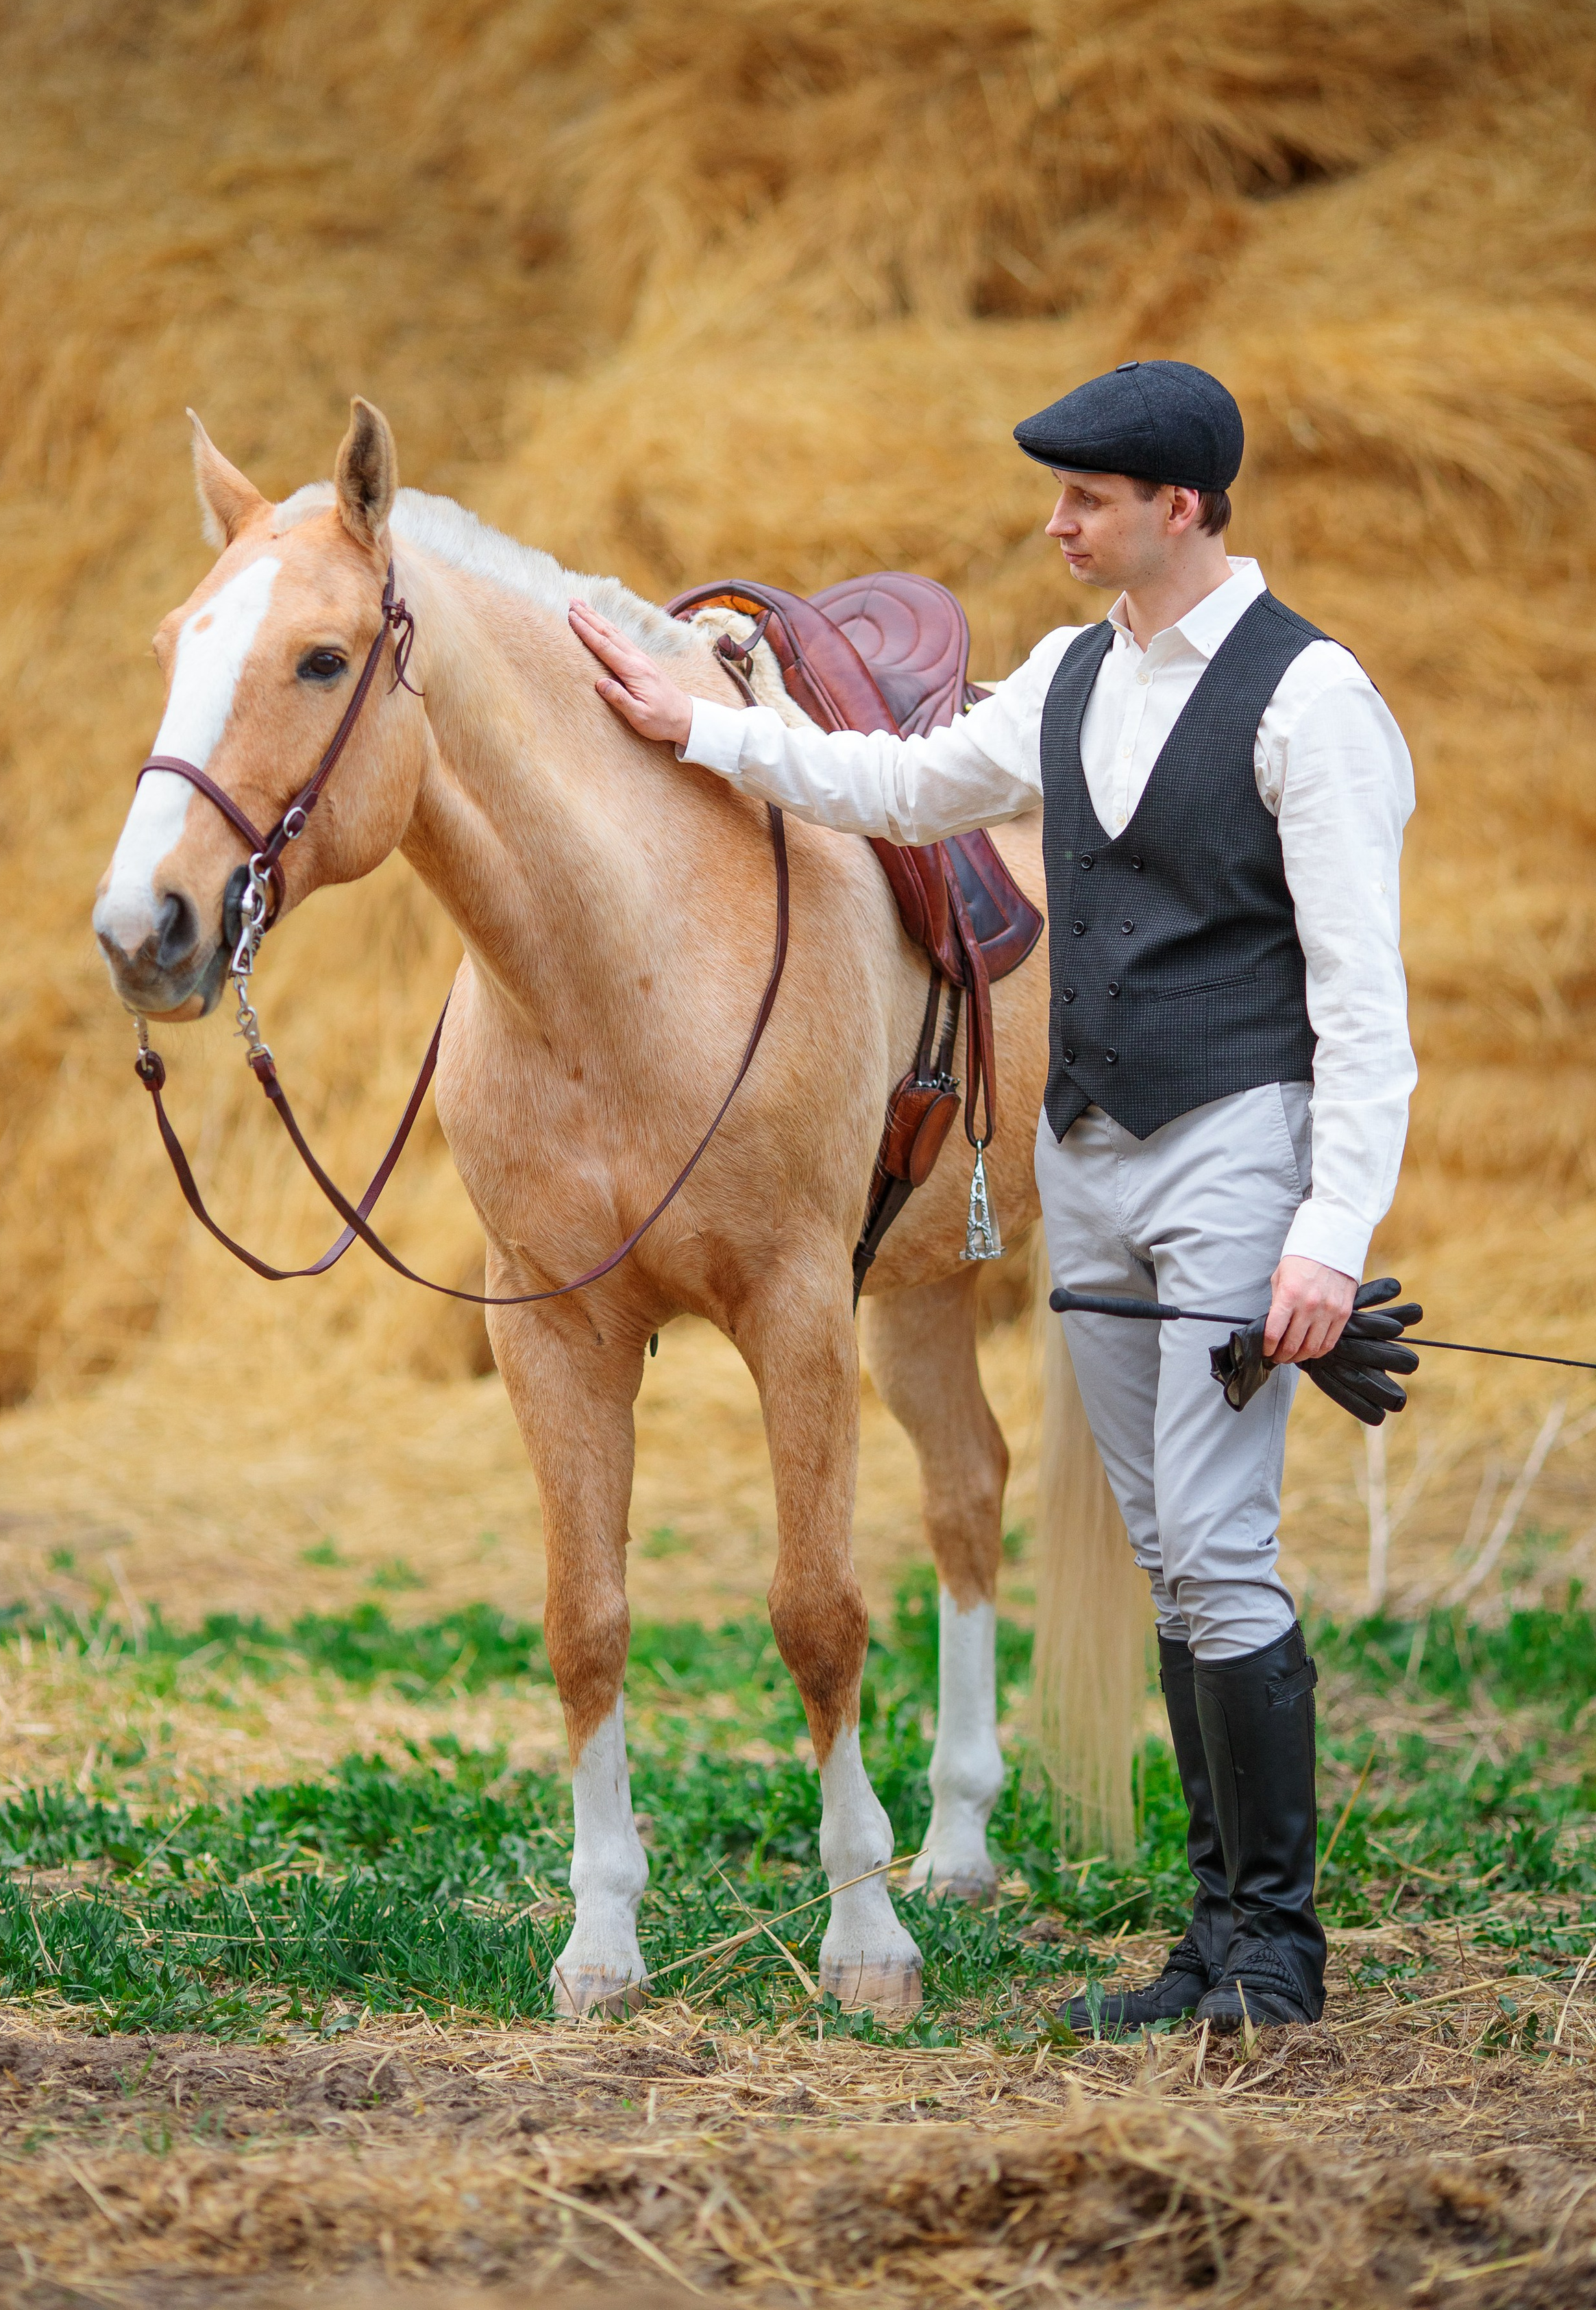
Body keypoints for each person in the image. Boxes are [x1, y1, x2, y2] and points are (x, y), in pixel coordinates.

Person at [568, 358, 1415, 2035]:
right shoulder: (1067, 678)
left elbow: (1362, 1005)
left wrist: (1325, 1240)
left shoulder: (1311, 700)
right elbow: (896, 789)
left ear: (1178, 506)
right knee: (1164, 1545)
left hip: (1236, 1148)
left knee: (1218, 1552)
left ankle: (1275, 1952)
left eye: (1086, 501)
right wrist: (701, 731)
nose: (1055, 526)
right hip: (1084, 1160)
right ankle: (1209, 1944)